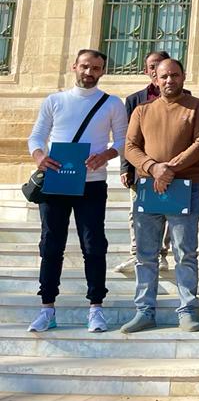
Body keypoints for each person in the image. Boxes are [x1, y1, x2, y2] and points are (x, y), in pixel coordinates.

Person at [27, 49, 128, 334]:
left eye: (95, 68)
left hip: (92, 183)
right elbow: (36, 135)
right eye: (85, 66)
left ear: (102, 71)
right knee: (51, 244)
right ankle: (47, 308)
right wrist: (39, 156)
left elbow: (123, 140)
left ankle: (96, 307)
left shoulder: (112, 103)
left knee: (93, 244)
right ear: (74, 66)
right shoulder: (55, 100)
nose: (89, 72)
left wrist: (106, 155)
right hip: (57, 181)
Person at [121, 58, 199, 333]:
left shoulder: (197, 107)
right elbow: (130, 147)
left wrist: (169, 168)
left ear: (183, 76)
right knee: (146, 253)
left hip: (184, 187)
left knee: (185, 252)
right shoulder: (142, 110)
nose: (169, 80)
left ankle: (187, 309)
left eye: (174, 75)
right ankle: (144, 310)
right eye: (164, 76)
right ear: (155, 79)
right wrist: (153, 168)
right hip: (149, 189)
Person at [115, 50, 173, 275]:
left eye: (160, 64)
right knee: (136, 210)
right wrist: (125, 167)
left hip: (170, 168)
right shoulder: (134, 100)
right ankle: (136, 252)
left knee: (168, 211)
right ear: (146, 70)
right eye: (152, 66)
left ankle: (162, 254)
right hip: (141, 168)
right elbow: (127, 138)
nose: (156, 69)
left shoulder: (184, 97)